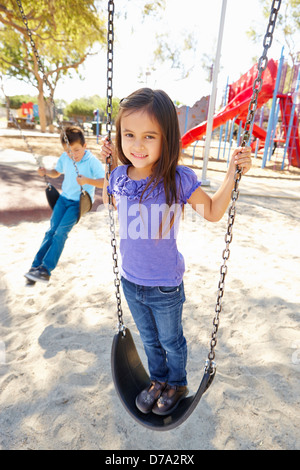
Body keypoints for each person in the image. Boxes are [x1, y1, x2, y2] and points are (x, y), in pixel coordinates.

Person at [101, 88, 252, 416]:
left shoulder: (177, 179)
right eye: (129, 135)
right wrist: (109, 164)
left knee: (171, 341)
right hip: (130, 281)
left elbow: (212, 212)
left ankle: (177, 382)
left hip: (164, 286)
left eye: (149, 136)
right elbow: (111, 200)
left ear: (166, 138)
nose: (137, 145)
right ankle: (157, 381)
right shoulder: (119, 176)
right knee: (149, 341)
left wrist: (231, 175)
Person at [25, 125, 105, 284]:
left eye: (76, 150)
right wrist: (46, 172)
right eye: (68, 151)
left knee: (60, 232)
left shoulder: (92, 162)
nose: (72, 154)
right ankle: (35, 267)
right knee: (51, 232)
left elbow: (104, 182)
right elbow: (57, 172)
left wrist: (87, 181)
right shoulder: (65, 157)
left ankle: (45, 270)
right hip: (63, 199)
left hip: (80, 202)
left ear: (84, 146)